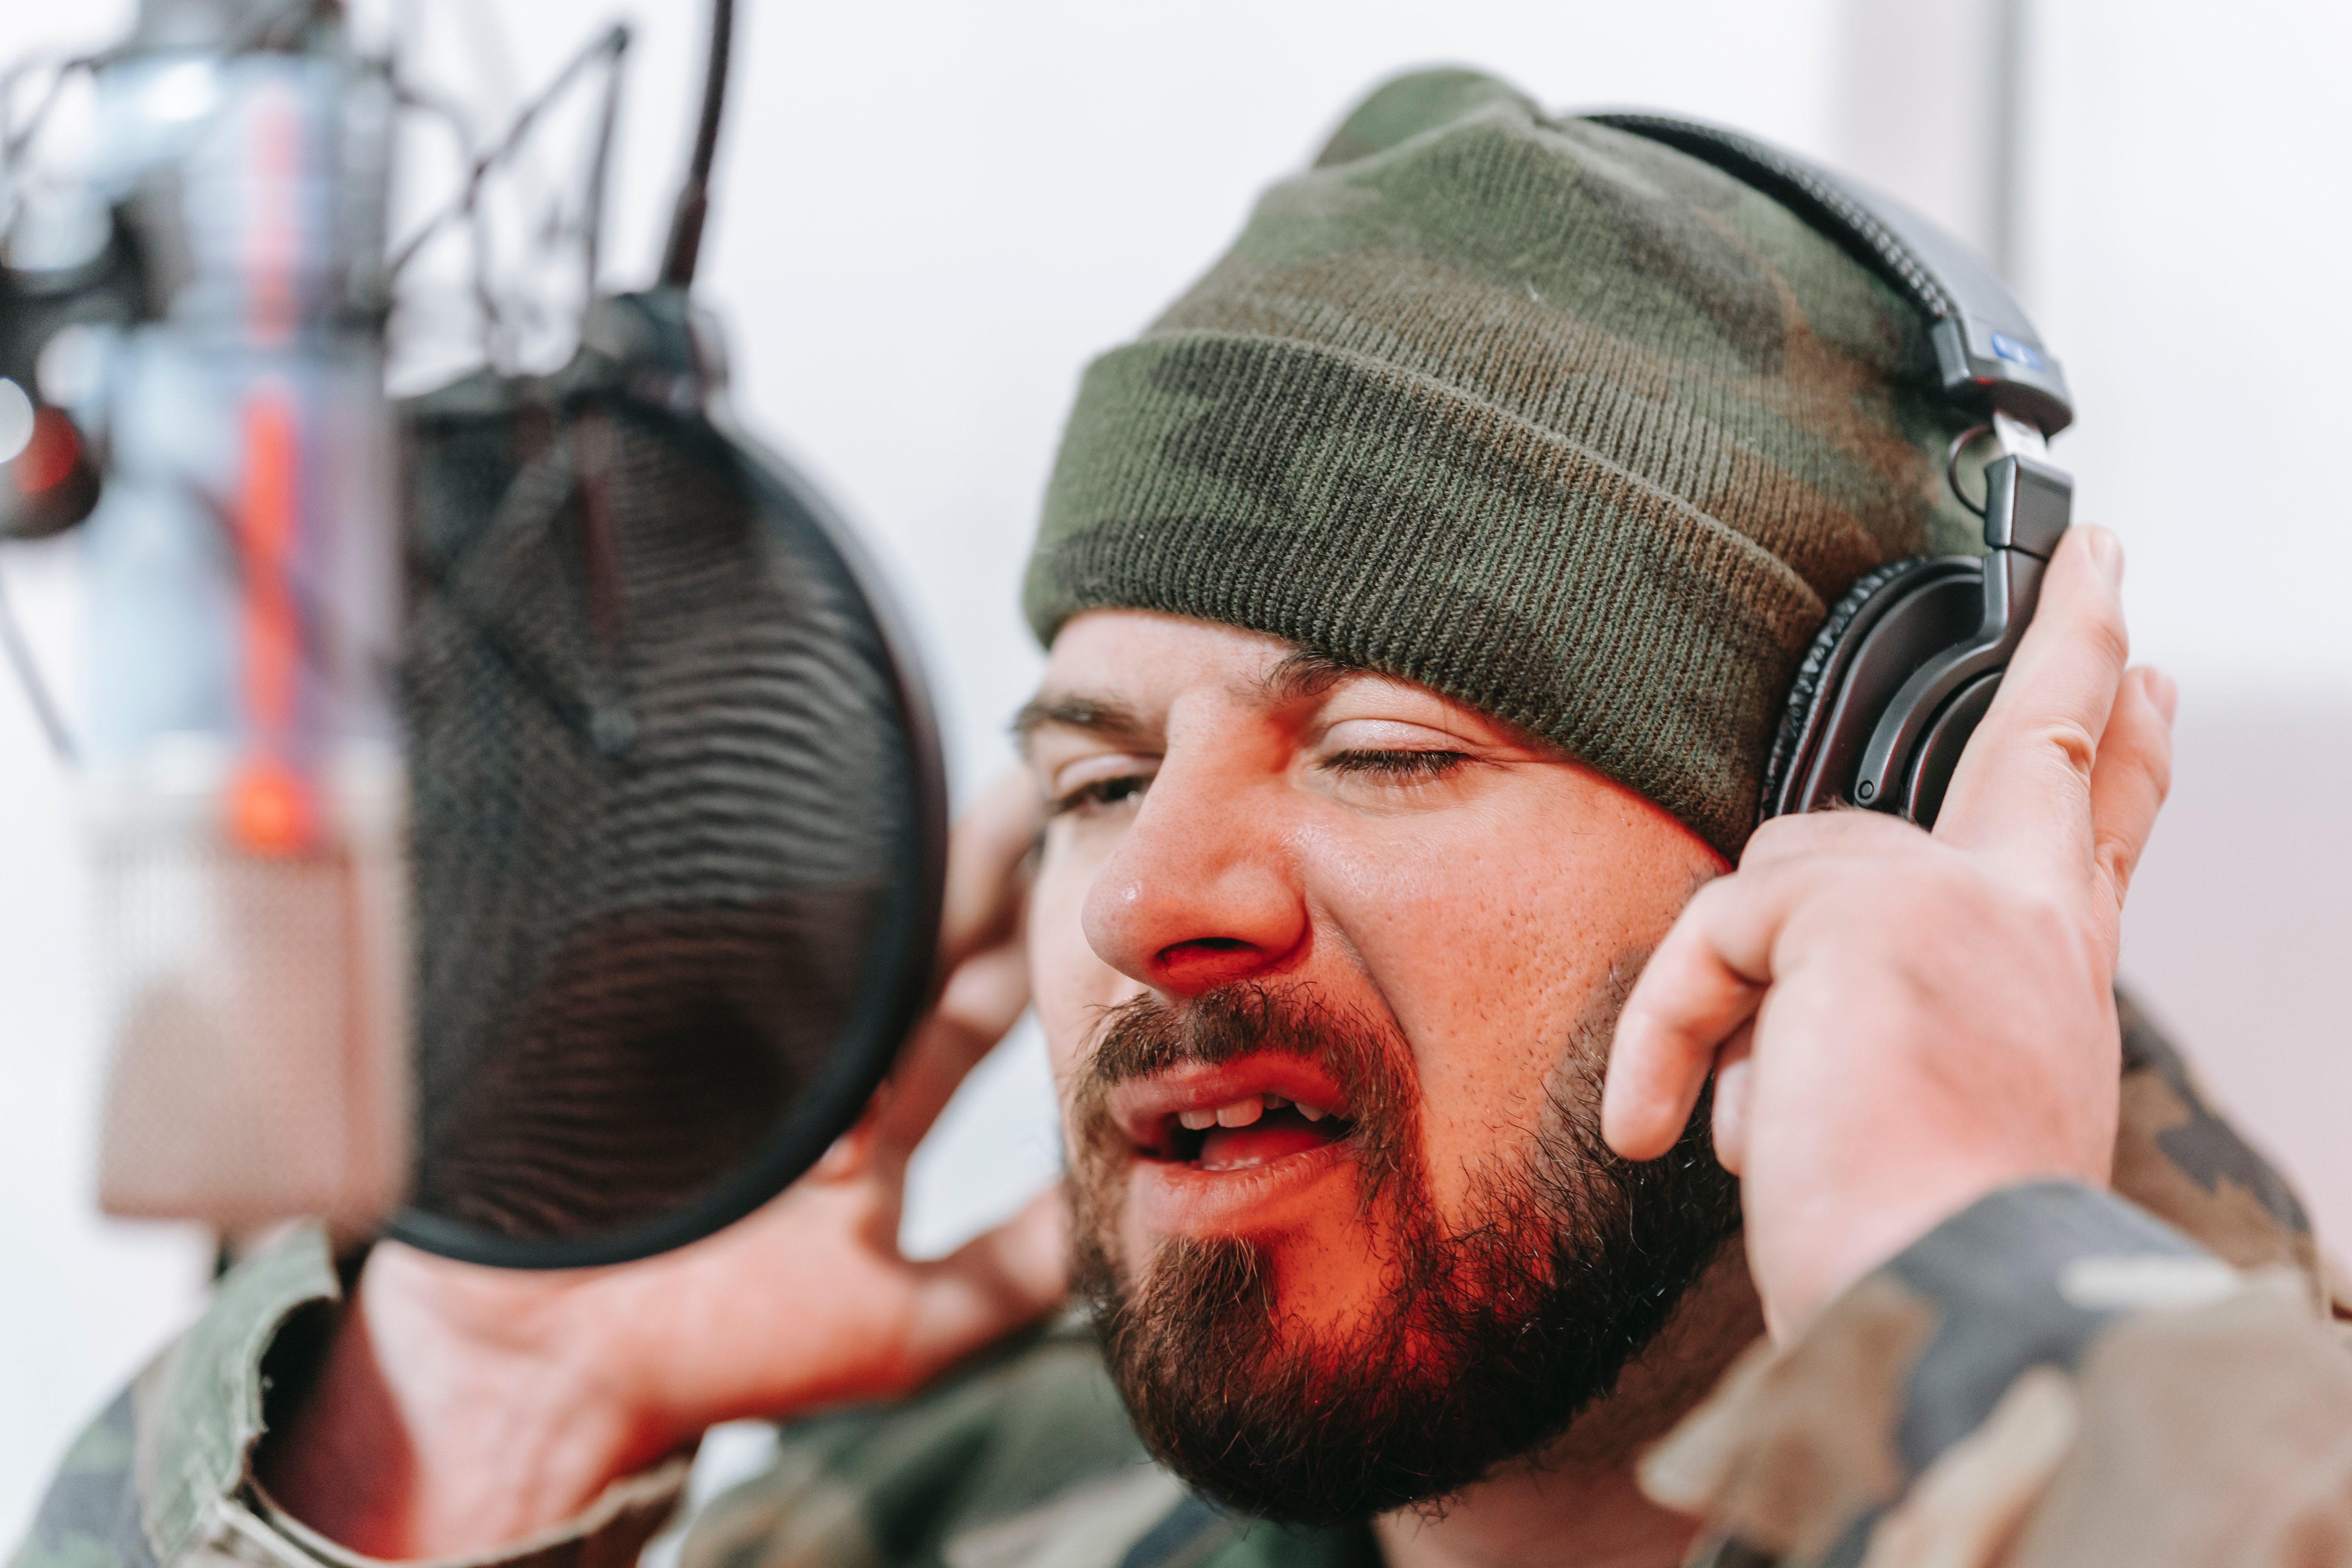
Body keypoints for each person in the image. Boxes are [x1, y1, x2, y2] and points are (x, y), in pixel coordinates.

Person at [18, 67, 2350, 1568]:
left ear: (1875, 820)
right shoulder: (936, 1528)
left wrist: (1959, 1277)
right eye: (1101, 775)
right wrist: (479, 1421)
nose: (1149, 901)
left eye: (1389, 750)